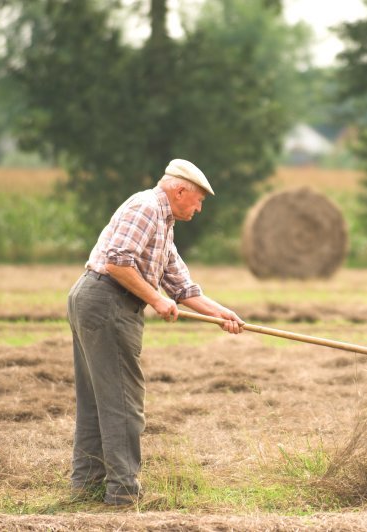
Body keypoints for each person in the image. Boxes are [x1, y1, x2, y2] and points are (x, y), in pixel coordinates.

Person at [66, 159, 244, 505]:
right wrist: (156, 300)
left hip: (96, 300)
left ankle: (85, 488)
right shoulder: (147, 207)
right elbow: (118, 262)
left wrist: (223, 314)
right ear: (180, 191)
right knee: (122, 403)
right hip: (107, 303)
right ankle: (122, 494)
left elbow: (183, 287)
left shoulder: (164, 223)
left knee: (98, 403)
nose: (199, 208)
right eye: (199, 201)